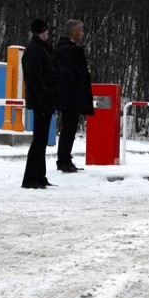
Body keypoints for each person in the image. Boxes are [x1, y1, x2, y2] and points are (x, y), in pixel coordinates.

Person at [21, 18, 61, 189]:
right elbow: (35, 77)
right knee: (39, 140)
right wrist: (44, 97)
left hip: (45, 100)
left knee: (42, 140)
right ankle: (30, 178)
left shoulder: (41, 49)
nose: (48, 33)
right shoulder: (35, 50)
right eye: (46, 30)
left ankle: (39, 176)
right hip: (41, 101)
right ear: (41, 31)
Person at [54, 19, 94, 173]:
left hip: (71, 96)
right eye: (81, 30)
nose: (83, 33)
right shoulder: (68, 51)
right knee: (68, 128)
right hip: (70, 96)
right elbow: (69, 75)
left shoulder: (70, 49)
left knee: (70, 128)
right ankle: (63, 160)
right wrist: (77, 92)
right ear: (74, 32)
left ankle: (65, 158)